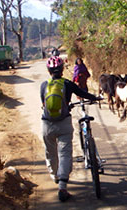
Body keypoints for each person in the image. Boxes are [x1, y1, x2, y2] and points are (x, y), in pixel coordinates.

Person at [40, 56, 100, 202]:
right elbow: (82, 93)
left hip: (47, 124)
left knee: (51, 152)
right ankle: (62, 186)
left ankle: (55, 175)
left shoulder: (44, 85)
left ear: (48, 70)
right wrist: (95, 97)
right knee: (65, 153)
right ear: (62, 69)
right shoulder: (67, 83)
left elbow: (43, 103)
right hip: (64, 123)